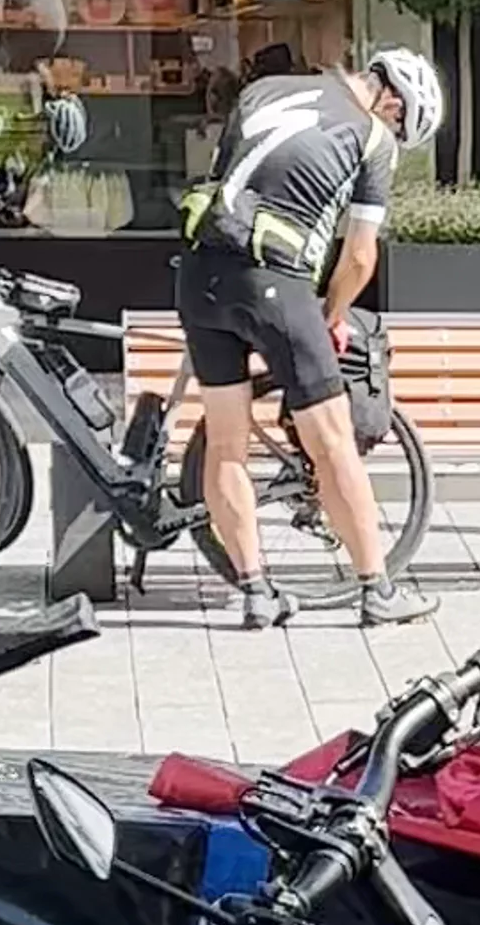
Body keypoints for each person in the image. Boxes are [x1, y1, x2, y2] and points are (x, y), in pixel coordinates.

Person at [175, 42, 440, 632]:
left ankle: (255, 592)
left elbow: (232, 178)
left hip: (200, 277)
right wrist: (332, 314)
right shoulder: (371, 138)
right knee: (333, 444)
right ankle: (377, 589)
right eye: (402, 125)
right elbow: (360, 256)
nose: (394, 135)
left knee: (225, 447)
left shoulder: (263, 90)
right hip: (275, 283)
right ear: (392, 99)